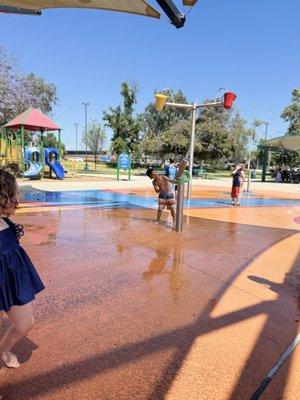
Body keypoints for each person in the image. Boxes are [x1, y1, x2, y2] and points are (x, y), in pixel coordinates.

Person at [0, 168, 44, 369]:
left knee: (26, 323)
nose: (18, 197)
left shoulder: (5, 221)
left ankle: (3, 350)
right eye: (14, 193)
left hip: (11, 280)